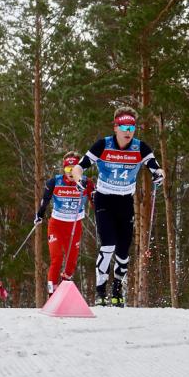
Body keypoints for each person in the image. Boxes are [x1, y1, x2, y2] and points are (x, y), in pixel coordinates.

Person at [71, 107, 164, 307]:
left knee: (123, 252)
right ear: (115, 127)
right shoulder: (103, 145)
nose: (127, 130)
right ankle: (100, 292)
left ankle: (117, 291)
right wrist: (79, 179)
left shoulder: (140, 148)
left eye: (131, 126)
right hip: (104, 199)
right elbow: (79, 166)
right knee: (108, 246)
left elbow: (156, 167)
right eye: (123, 126)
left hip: (125, 202)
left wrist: (159, 174)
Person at [36, 152, 95, 295]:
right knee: (56, 258)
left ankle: (64, 286)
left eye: (73, 169)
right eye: (67, 169)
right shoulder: (54, 182)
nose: (70, 173)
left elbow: (96, 203)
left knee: (71, 261)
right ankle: (51, 294)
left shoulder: (86, 183)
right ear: (64, 170)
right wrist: (39, 215)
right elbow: (45, 200)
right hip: (56, 225)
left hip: (74, 225)